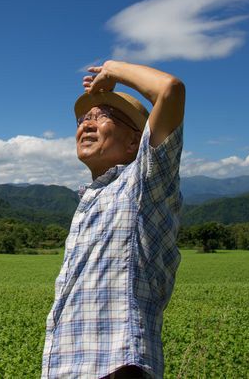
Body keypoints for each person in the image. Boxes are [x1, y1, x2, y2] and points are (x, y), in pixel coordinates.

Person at [42, 60, 185, 379]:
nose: (86, 125)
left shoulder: (143, 185)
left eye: (102, 117)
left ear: (135, 141)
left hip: (118, 367)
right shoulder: (89, 200)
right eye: (84, 119)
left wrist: (112, 70)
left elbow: (170, 90)